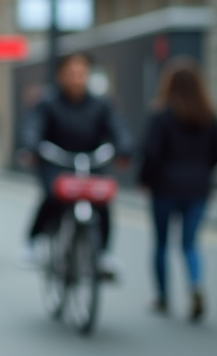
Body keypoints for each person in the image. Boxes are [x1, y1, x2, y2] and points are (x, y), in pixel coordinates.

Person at [19, 52, 133, 274]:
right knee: (53, 197)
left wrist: (124, 147)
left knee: (102, 201)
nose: (76, 78)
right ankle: (33, 242)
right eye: (71, 73)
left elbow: (118, 128)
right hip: (56, 162)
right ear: (60, 75)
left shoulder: (101, 104)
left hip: (91, 162)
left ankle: (104, 253)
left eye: (81, 73)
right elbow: (33, 126)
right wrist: (31, 144)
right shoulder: (47, 103)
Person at [137, 57, 216, 322]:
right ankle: (195, 285)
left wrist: (144, 179)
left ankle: (162, 297)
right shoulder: (208, 116)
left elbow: (151, 153)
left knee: (161, 243)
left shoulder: (161, 115)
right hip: (198, 188)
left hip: (165, 187)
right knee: (190, 244)